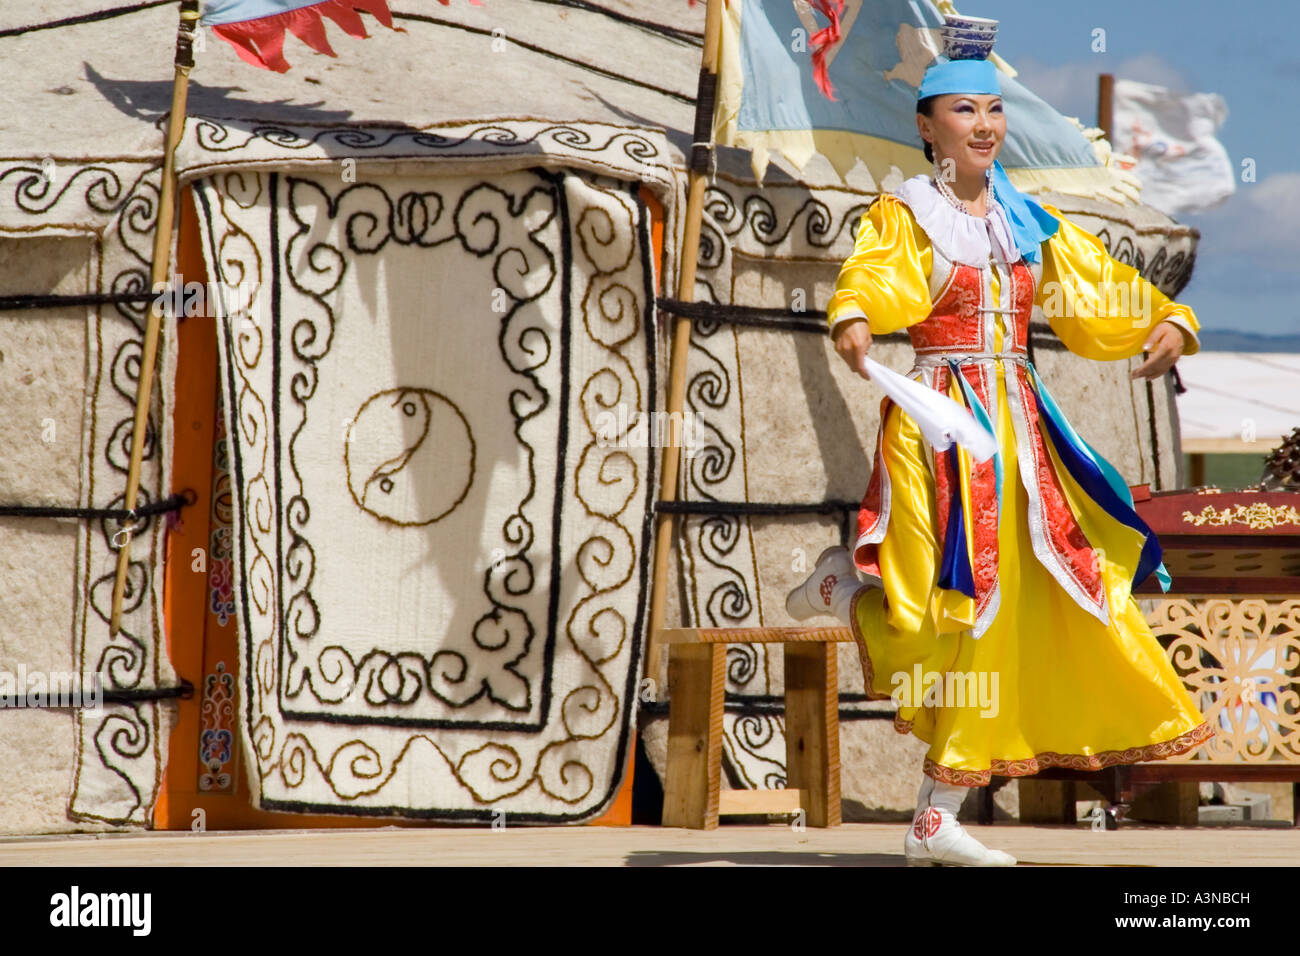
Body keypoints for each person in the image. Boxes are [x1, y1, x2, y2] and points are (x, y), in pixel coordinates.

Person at [785, 20, 1213, 866]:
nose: (983, 125)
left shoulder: (1026, 219)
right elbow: (874, 276)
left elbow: (1098, 285)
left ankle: (935, 817)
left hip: (1019, 427)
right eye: (962, 110)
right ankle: (848, 595)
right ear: (926, 125)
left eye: (993, 109)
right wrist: (857, 318)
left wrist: (1163, 318)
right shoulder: (906, 213)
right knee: (938, 608)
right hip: (943, 425)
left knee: (1029, 601)